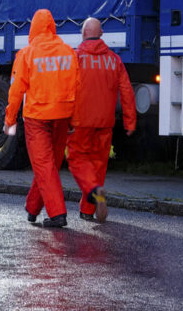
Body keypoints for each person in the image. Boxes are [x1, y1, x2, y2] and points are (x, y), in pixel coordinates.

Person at [5, 8, 78, 228]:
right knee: (49, 164)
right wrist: (73, 119)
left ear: (33, 29)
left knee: (43, 164)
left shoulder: (27, 54)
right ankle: (33, 207)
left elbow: (16, 91)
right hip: (63, 115)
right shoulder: (68, 52)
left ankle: (57, 213)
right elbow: (78, 87)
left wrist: (9, 119)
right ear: (53, 27)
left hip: (37, 117)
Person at [68, 17, 136, 222]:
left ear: (83, 34)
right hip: (105, 124)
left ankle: (95, 191)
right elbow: (127, 92)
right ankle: (87, 210)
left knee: (78, 160)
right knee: (97, 165)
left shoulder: (75, 57)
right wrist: (130, 121)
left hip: (80, 122)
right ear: (102, 33)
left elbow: (66, 90)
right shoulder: (114, 60)